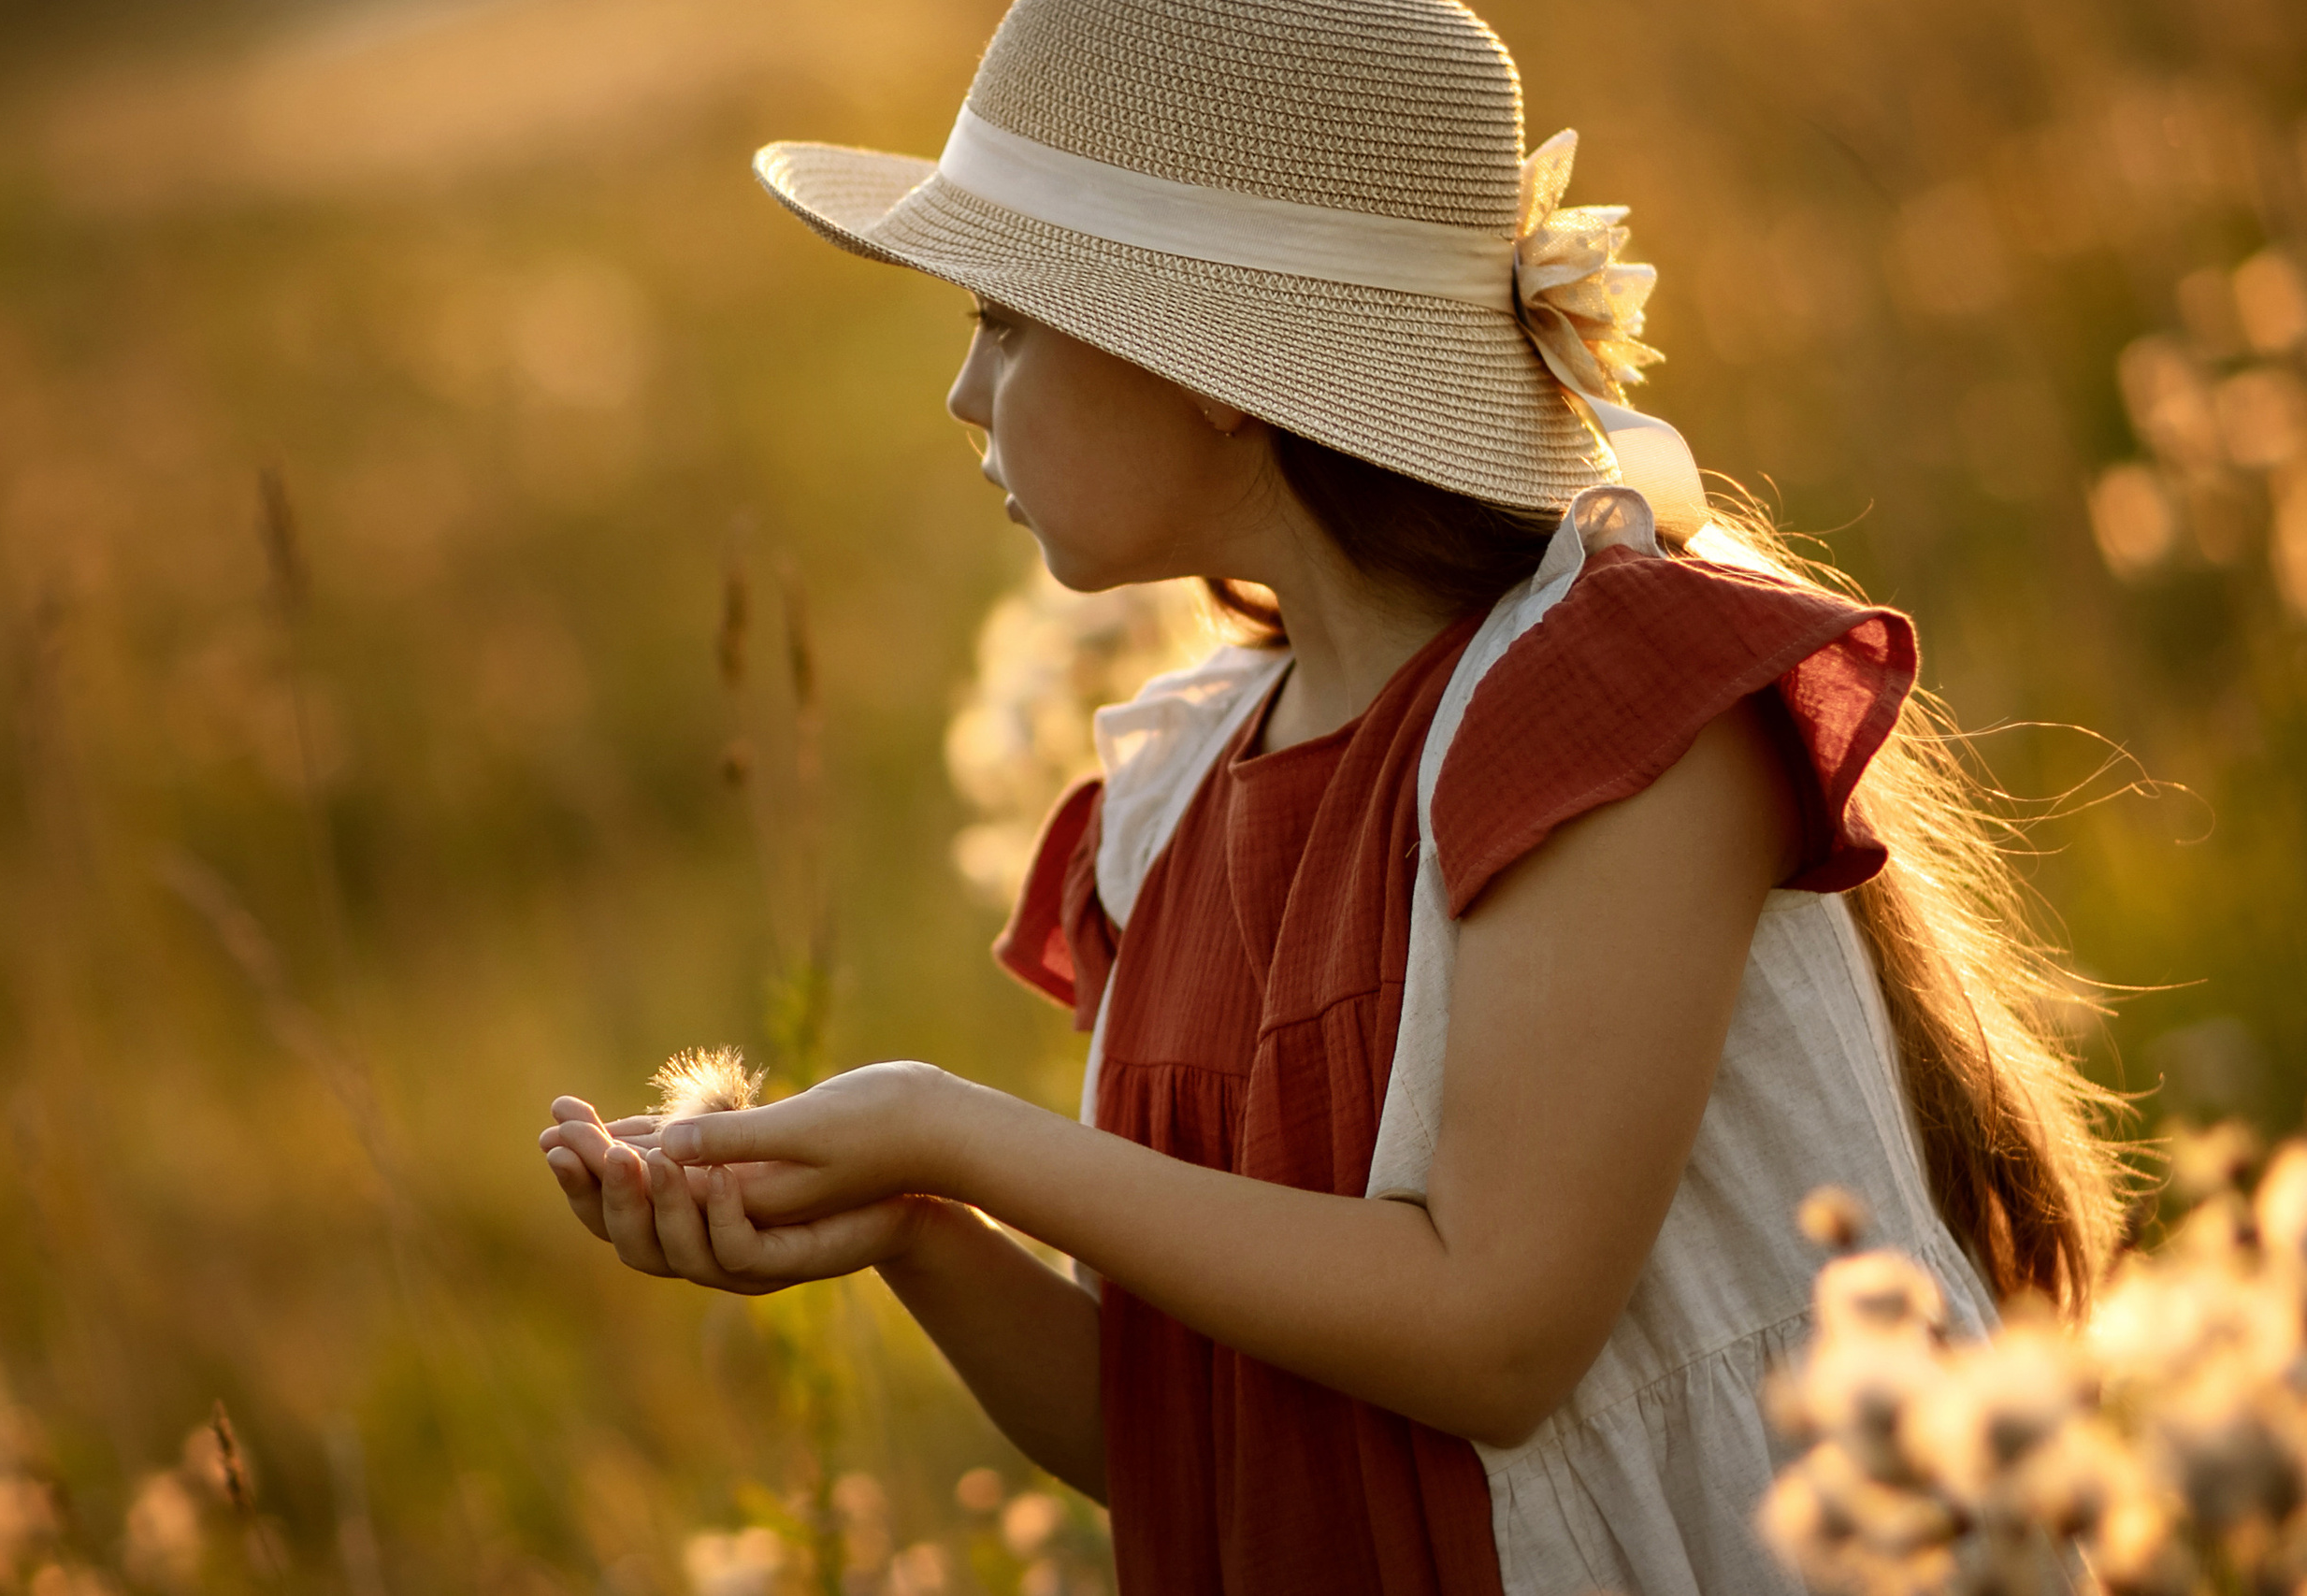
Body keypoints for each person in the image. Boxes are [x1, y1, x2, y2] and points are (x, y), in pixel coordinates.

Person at [538, 0, 2133, 1589]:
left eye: (1006, 321)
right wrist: (911, 1228)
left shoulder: (1612, 715)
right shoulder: (1172, 803)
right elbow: (1195, 1428)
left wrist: (949, 1131)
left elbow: (1492, 1334)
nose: (966, 393)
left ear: (1216, 365)